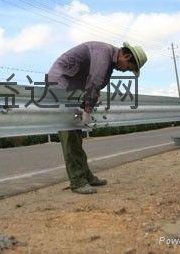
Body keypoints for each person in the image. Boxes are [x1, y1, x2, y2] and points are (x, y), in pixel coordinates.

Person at [48, 41, 147, 194]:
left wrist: (87, 106)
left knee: (76, 135)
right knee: (70, 134)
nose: (125, 70)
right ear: (126, 56)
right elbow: (94, 82)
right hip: (60, 86)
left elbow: (96, 85)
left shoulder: (109, 61)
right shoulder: (104, 53)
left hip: (72, 88)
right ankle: (77, 181)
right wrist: (87, 110)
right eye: (128, 67)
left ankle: (86, 176)